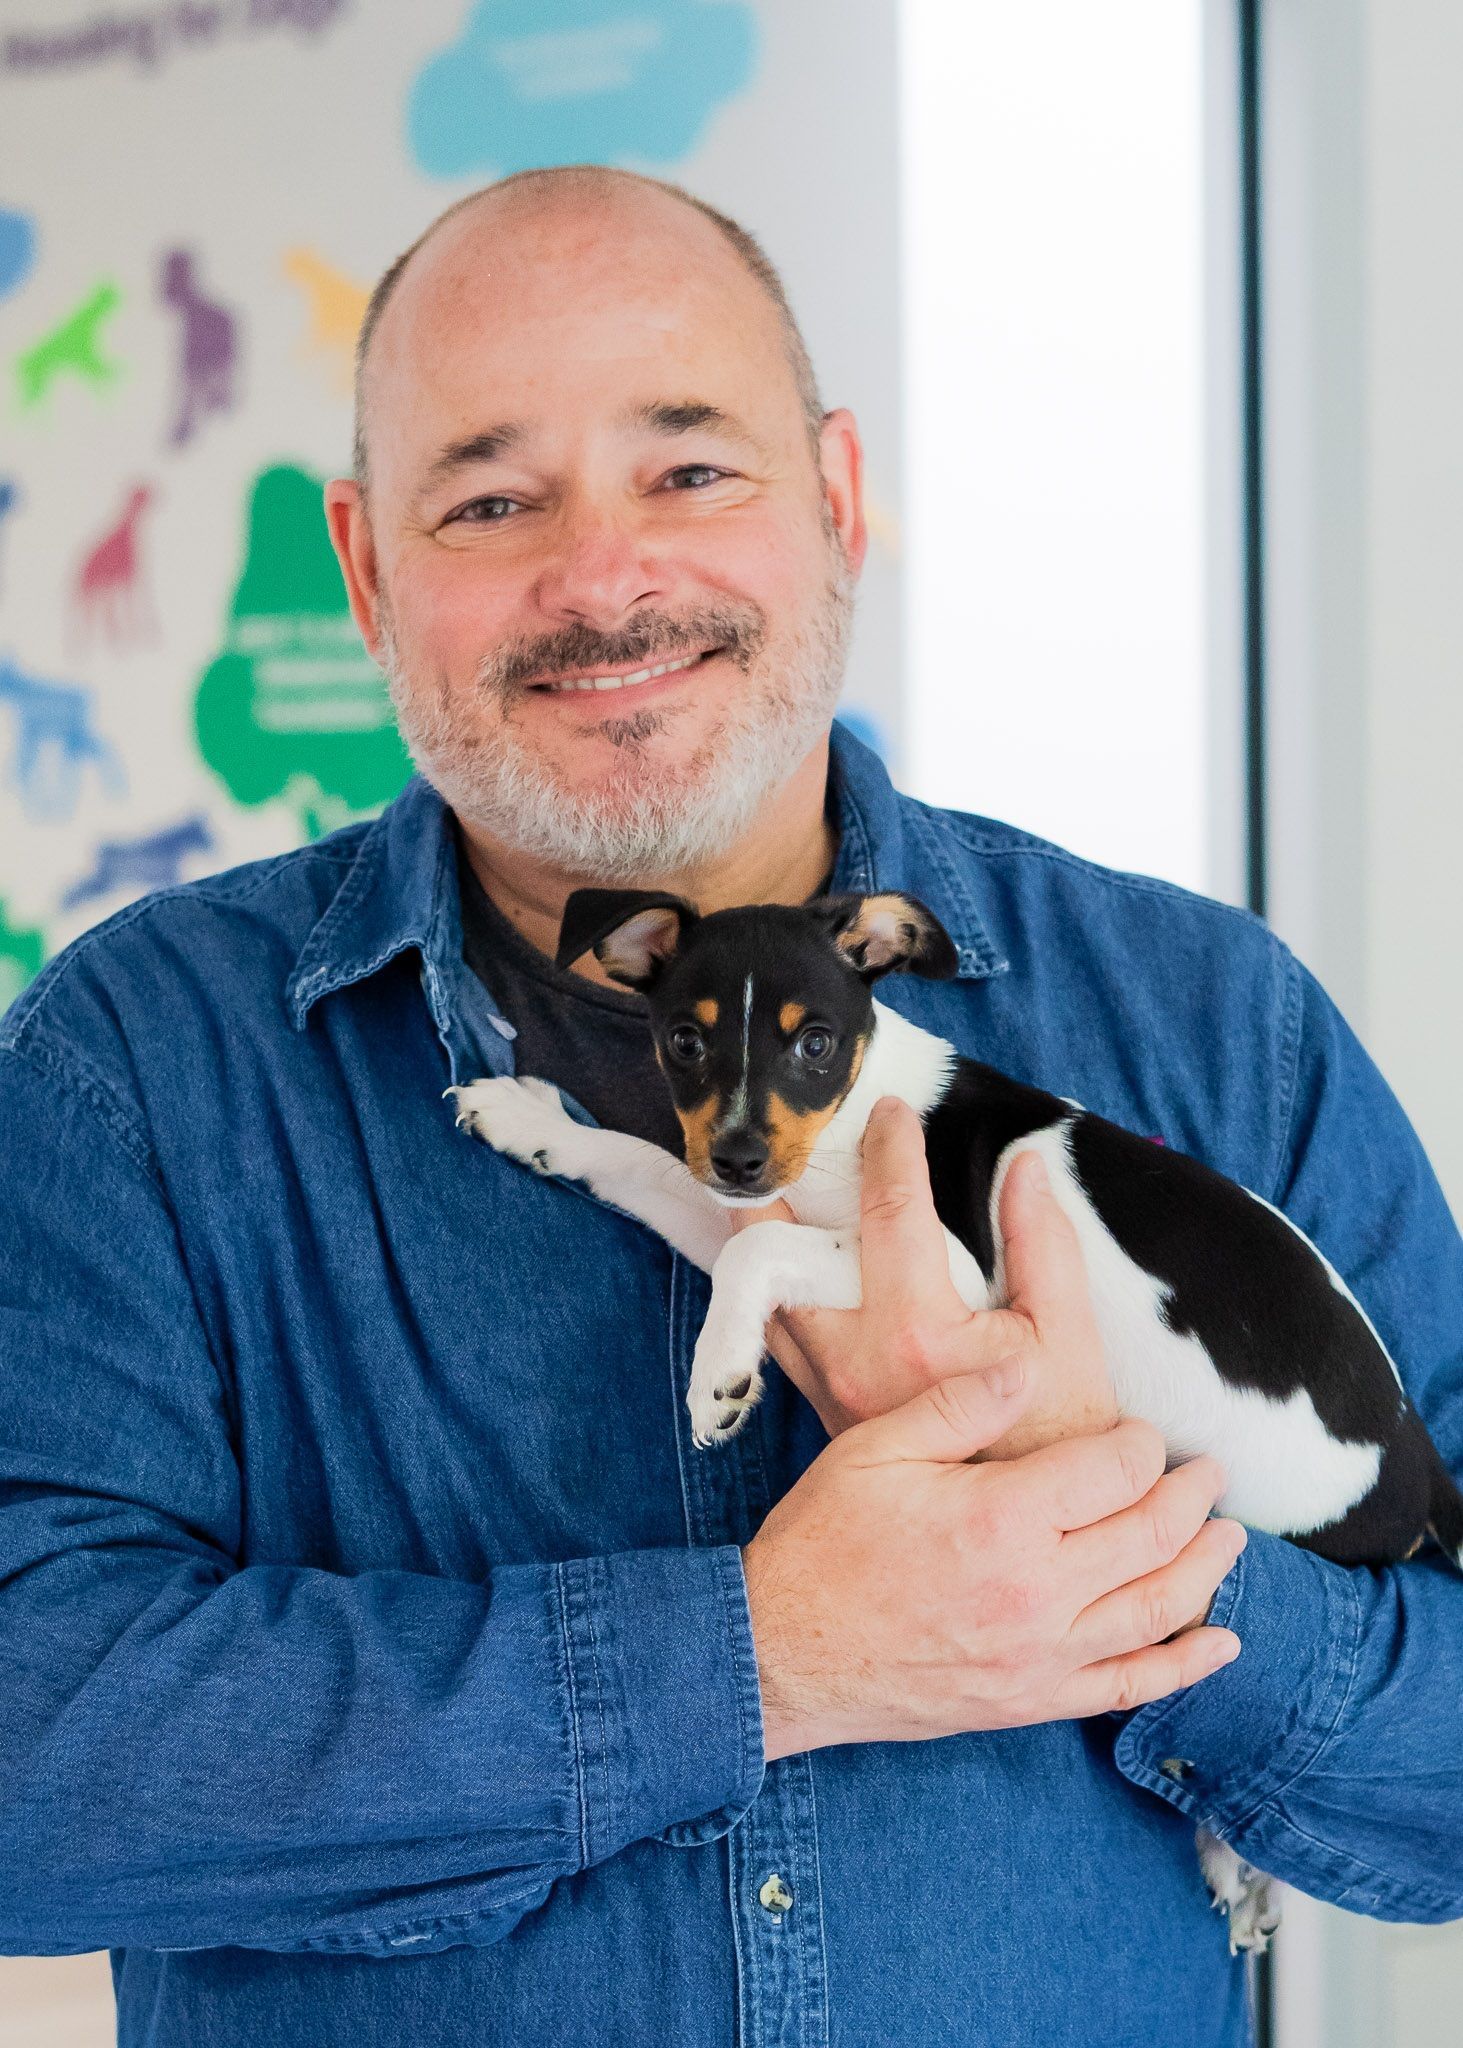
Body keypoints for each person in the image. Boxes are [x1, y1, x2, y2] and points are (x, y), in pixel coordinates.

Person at [0, 165, 1458, 2048]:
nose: (603, 578)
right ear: (367, 573)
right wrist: (759, 1661)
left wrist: (1122, 1548)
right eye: (493, 499)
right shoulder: (138, 1064)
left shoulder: (1215, 1024)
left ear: (838, 503)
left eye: (691, 471)